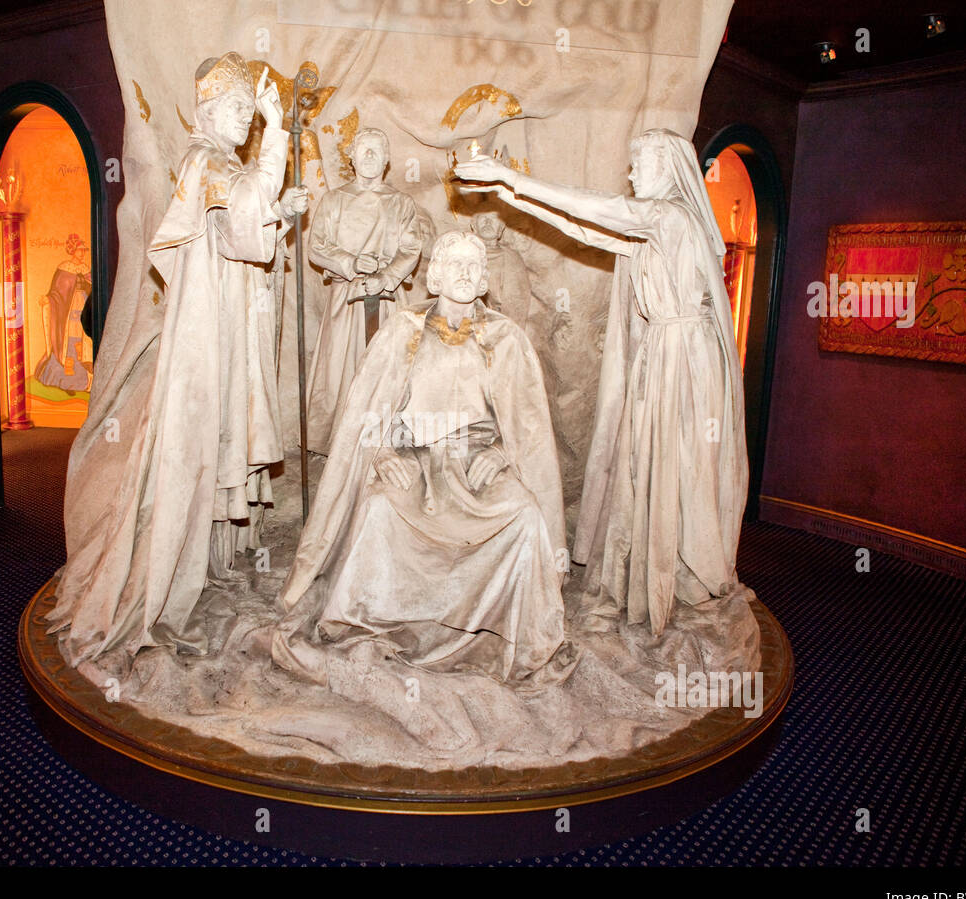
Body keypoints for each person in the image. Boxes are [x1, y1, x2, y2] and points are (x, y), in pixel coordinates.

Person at [47, 51, 308, 665]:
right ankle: (161, 596)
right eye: (239, 108)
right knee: (194, 447)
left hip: (223, 324)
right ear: (208, 110)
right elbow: (241, 219)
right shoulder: (206, 160)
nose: (247, 119)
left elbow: (240, 233)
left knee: (215, 439)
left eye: (250, 111)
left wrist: (277, 211)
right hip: (205, 336)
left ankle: (203, 572)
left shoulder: (221, 164)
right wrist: (276, 135)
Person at [454, 128, 747, 638]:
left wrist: (511, 177)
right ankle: (662, 566)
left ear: (668, 168)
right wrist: (508, 193)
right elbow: (587, 228)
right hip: (665, 351)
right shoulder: (655, 224)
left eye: (640, 163)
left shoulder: (671, 217)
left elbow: (601, 209)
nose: (631, 173)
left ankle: (684, 572)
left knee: (680, 461)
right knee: (654, 458)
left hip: (683, 358)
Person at [273, 231, 575, 686]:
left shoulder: (506, 337)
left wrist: (500, 451)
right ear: (434, 276)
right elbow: (367, 409)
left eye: (473, 266)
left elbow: (527, 427)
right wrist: (381, 451)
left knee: (525, 514)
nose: (464, 273)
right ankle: (374, 617)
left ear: (484, 278)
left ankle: (502, 625)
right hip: (415, 458)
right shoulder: (403, 330)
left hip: (477, 464)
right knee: (380, 507)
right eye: (454, 263)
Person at [304, 127, 422, 453]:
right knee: (340, 371)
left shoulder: (401, 203)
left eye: (376, 149)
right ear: (352, 158)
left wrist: (386, 276)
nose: (369, 155)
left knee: (390, 367)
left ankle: (387, 442)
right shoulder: (334, 201)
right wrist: (351, 262)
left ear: (386, 160)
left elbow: (411, 249)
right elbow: (317, 247)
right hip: (347, 301)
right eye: (363, 149)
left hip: (387, 300)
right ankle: (341, 445)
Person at [34, 233, 92, 393]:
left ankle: (82, 382)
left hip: (83, 307)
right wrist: (48, 299)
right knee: (69, 343)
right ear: (73, 251)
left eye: (84, 250)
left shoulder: (86, 269)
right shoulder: (64, 268)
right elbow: (57, 293)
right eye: (79, 250)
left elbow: (93, 290)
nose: (82, 253)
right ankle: (65, 383)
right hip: (68, 312)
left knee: (82, 343)